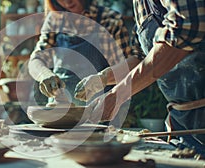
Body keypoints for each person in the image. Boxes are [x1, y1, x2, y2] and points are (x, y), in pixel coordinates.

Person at [77, 0, 205, 155]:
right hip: (182, 121)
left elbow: (188, 29)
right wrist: (103, 78)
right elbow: (142, 57)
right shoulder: (139, 4)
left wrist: (118, 95)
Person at [28, 0, 140, 106]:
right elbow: (36, 59)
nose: (67, 1)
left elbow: (127, 70)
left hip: (100, 109)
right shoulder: (55, 19)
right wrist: (44, 74)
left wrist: (102, 79)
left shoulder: (109, 20)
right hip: (58, 110)